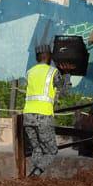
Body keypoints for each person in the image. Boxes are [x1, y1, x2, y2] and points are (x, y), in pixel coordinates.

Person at [22, 44, 68, 177]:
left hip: (28, 116)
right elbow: (64, 93)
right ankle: (35, 175)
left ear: (37, 58)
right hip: (44, 116)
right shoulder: (53, 72)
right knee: (51, 151)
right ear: (49, 57)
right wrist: (67, 74)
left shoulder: (29, 72)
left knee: (37, 149)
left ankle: (34, 181)